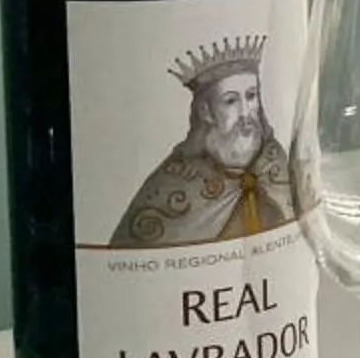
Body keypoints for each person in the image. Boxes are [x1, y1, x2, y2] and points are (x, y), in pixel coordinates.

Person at [109, 34, 300, 248]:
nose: (246, 112)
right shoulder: (175, 182)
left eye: (251, 96)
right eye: (230, 101)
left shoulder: (274, 161)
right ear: (205, 111)